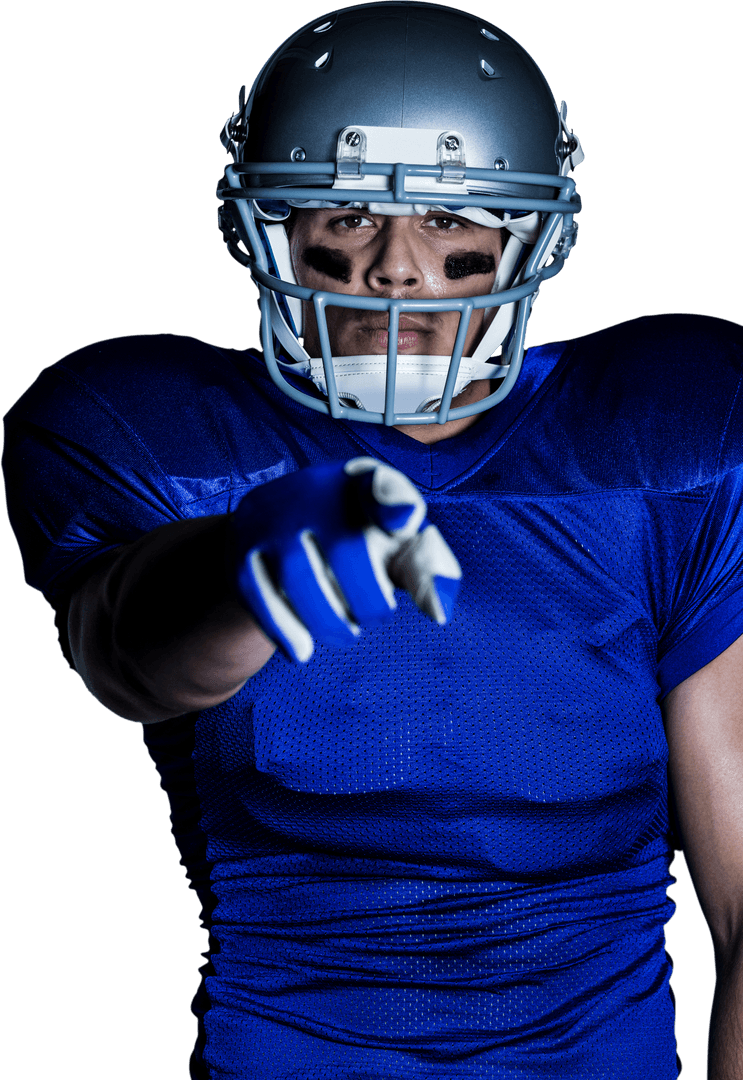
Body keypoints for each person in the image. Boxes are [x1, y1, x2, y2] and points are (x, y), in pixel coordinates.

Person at [3, 2, 743, 1077]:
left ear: (527, 235)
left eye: (452, 219)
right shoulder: (158, 433)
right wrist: (245, 569)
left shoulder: (672, 443)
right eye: (346, 216)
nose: (396, 266)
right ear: (271, 227)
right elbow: (122, 653)